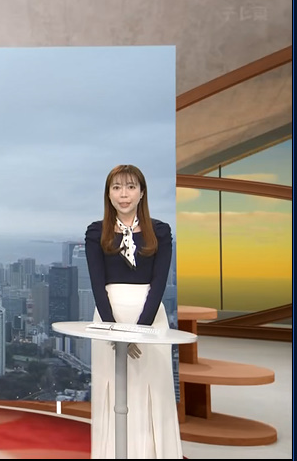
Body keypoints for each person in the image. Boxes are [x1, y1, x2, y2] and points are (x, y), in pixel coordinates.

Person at [84, 164, 181, 459]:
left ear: (142, 192)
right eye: (116, 187)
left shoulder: (160, 231)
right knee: (112, 389)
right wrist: (115, 333)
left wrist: (140, 330)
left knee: (152, 388)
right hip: (108, 319)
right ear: (108, 194)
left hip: (150, 320)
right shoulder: (95, 232)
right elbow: (97, 285)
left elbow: (159, 283)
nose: (123, 194)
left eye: (130, 187)